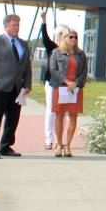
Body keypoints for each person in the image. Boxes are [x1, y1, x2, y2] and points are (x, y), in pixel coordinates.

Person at [0, 14, 33, 159]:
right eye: (14, 25)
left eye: (18, 25)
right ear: (6, 26)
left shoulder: (22, 44)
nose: (17, 28)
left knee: (13, 119)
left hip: (17, 89)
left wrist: (27, 84)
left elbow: (27, 67)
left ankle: (6, 146)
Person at [49, 27, 87, 157]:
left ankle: (68, 146)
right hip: (60, 87)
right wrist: (66, 81)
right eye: (71, 37)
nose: (74, 39)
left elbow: (84, 72)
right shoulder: (56, 52)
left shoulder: (81, 54)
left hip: (75, 88)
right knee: (59, 115)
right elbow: (53, 70)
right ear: (64, 38)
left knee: (73, 116)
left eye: (75, 37)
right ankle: (59, 145)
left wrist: (75, 82)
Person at [38, 12, 62, 150]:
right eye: (61, 35)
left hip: (64, 85)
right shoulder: (52, 47)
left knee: (62, 112)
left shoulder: (70, 51)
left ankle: (60, 139)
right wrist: (44, 21)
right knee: (51, 110)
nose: (64, 37)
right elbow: (45, 37)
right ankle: (49, 139)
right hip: (52, 83)